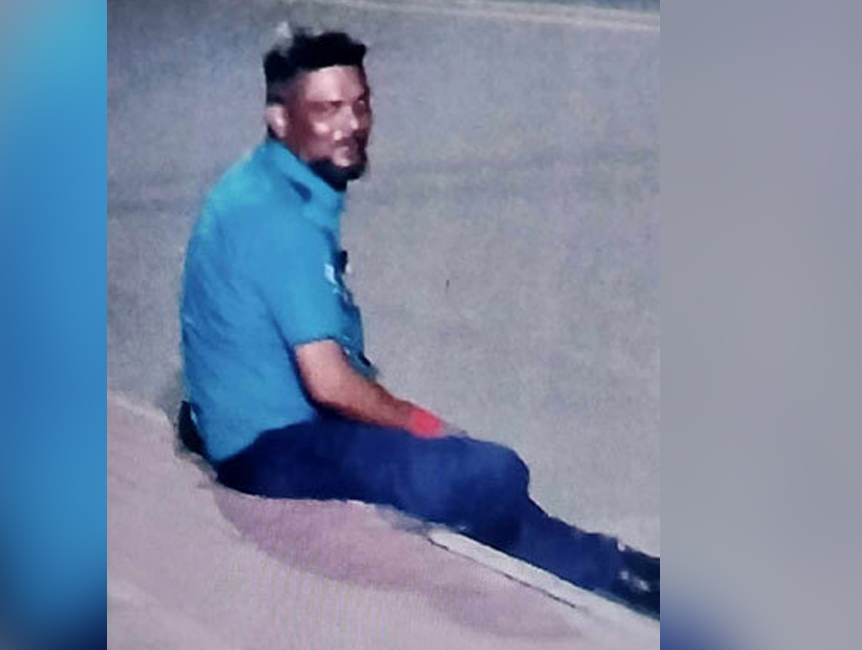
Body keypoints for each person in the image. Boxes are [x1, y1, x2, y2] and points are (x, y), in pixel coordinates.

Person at [178, 27, 659, 618]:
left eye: (360, 104)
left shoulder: (261, 183)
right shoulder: (283, 222)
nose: (352, 124)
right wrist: (426, 426)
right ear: (279, 119)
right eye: (327, 109)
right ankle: (615, 571)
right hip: (270, 447)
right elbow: (329, 383)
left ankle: (609, 564)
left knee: (459, 470)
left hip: (241, 415)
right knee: (489, 472)